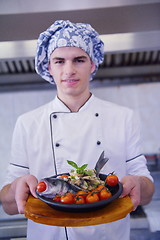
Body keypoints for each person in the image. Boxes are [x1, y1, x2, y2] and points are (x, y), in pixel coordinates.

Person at [0, 20, 154, 240]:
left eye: (79, 60)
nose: (69, 70)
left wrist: (139, 183)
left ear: (92, 65)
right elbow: (8, 205)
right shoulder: (27, 123)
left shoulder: (123, 118)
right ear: (48, 67)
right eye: (59, 61)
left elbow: (147, 194)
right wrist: (16, 186)